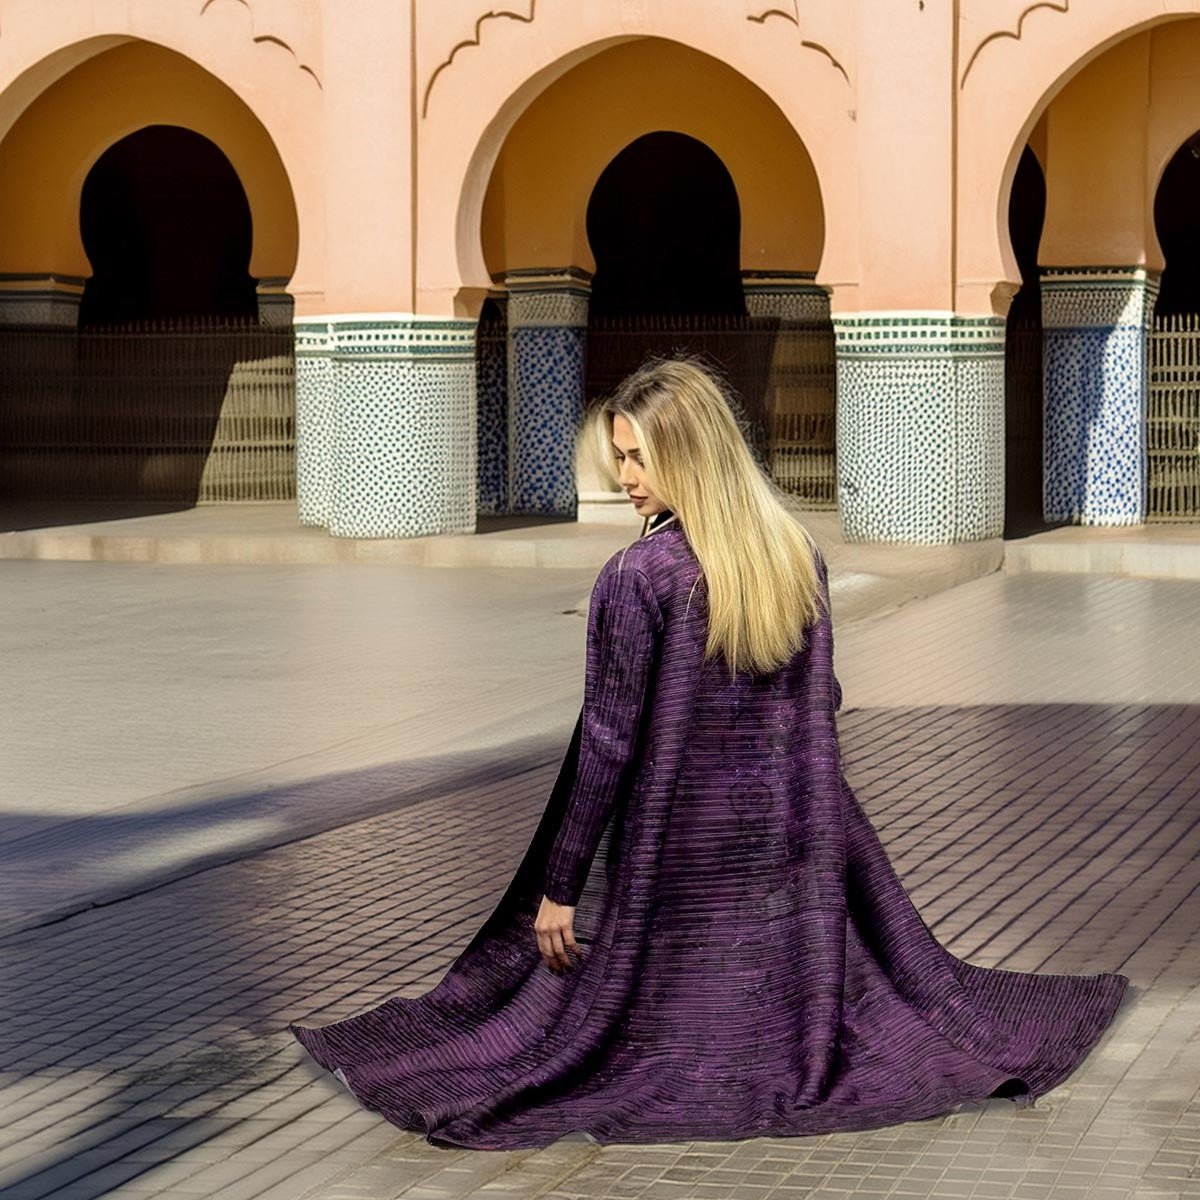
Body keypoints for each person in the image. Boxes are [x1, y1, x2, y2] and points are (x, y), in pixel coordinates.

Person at [289, 354, 1130, 1151]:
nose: (625, 479)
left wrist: (560, 886)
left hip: (675, 852)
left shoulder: (640, 575)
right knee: (791, 1003)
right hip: (791, 843)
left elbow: (608, 743)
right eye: (620, 458)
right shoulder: (794, 554)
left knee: (566, 1032)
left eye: (639, 460)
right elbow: (822, 702)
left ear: (691, 456)